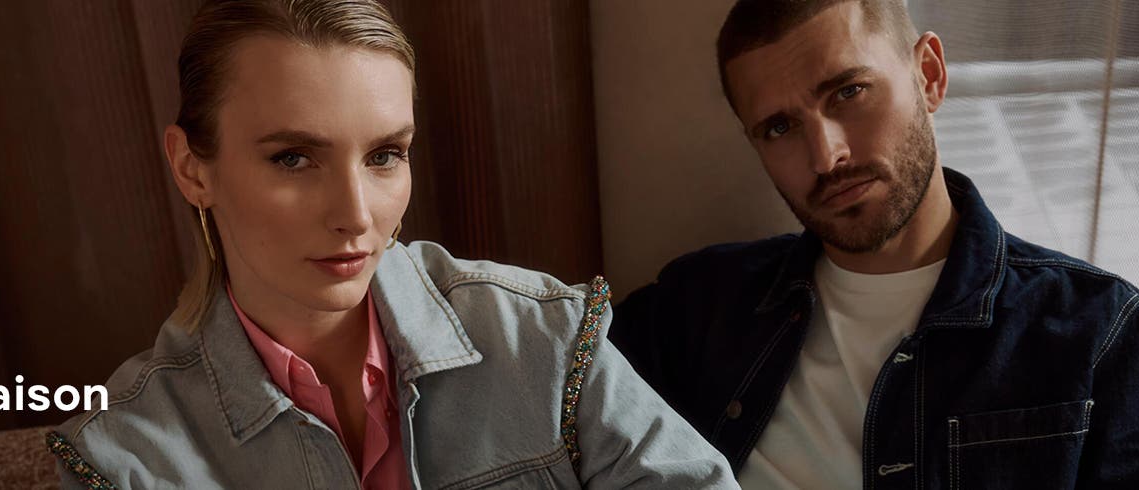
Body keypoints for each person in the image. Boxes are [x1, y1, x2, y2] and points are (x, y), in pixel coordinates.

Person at [46, 1, 732, 488]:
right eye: (293, 158)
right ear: (192, 168)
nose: (355, 215)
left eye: (384, 155)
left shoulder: (539, 336)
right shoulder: (125, 456)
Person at [608, 0, 1139, 488]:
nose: (826, 156)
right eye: (780, 127)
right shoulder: (694, 309)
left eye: (849, 92)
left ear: (929, 75)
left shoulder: (1102, 331)